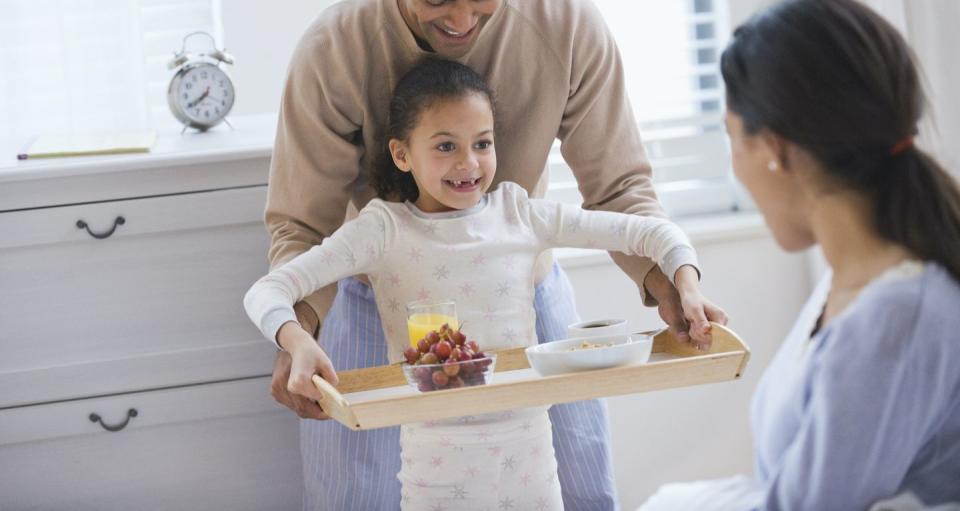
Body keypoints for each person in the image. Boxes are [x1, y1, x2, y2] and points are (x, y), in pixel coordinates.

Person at [264, 0, 727, 508]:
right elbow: (302, 228)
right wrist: (299, 331)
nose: (462, 21)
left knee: (580, 484)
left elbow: (620, 190)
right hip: (381, 302)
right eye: (436, 1)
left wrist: (671, 280)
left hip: (522, 293)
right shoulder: (334, 49)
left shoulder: (564, 23)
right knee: (358, 495)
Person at [247, 59, 711, 510]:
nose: (469, 163)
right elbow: (267, 292)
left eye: (483, 143)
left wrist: (687, 286)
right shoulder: (383, 231)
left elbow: (653, 233)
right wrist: (298, 341)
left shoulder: (520, 215)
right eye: (446, 146)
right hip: (436, 478)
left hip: (530, 470)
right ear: (401, 154)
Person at [639, 0, 960, 510]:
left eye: (731, 137)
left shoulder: (895, 317)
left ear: (775, 150)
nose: (734, 166)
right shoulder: (854, 284)